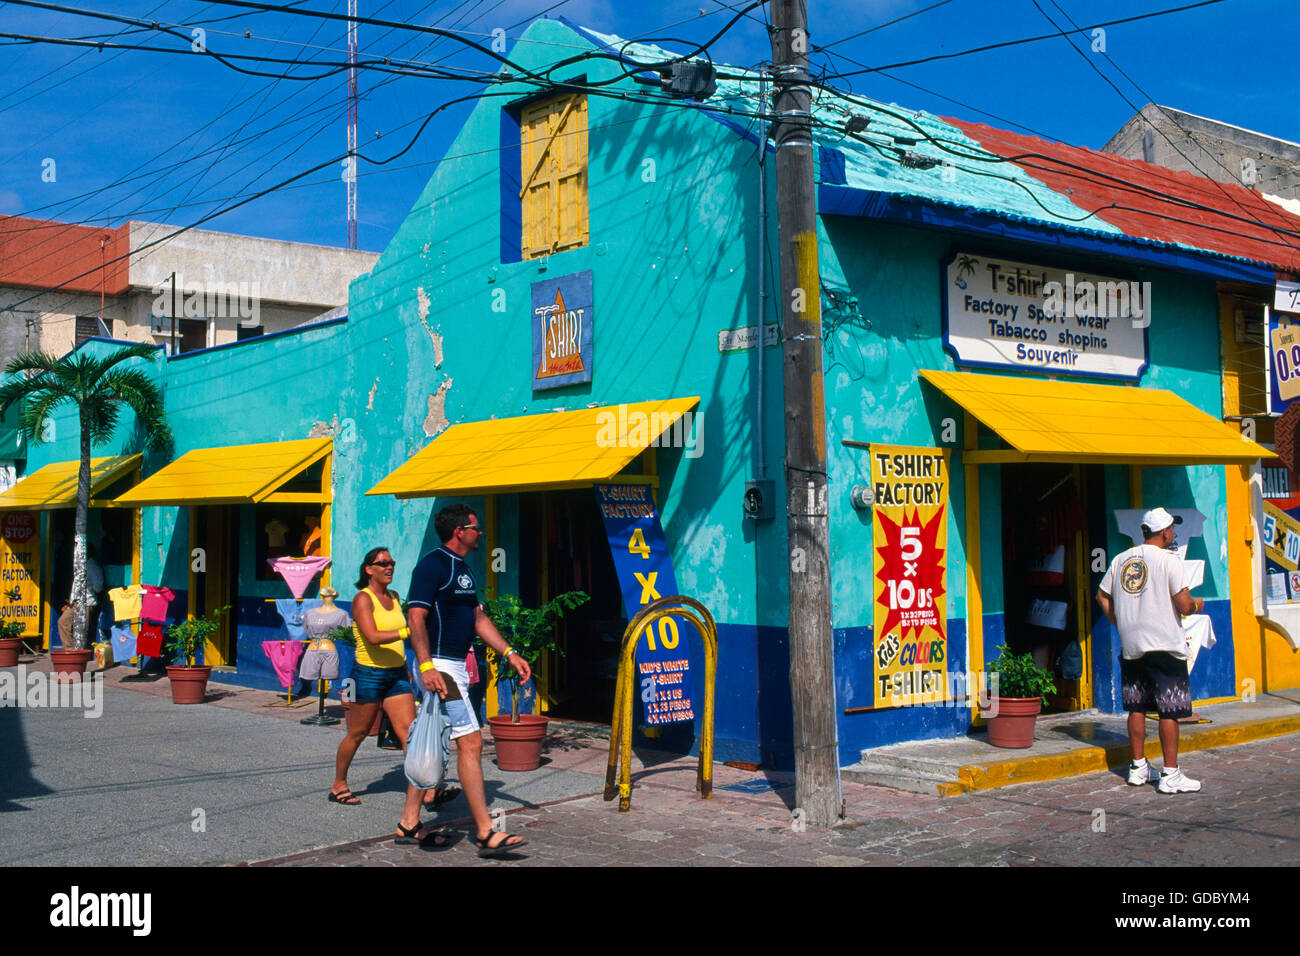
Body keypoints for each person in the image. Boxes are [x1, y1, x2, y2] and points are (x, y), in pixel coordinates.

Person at [404, 503, 530, 858]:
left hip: (455, 664)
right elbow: (416, 618)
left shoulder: (463, 569)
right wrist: (427, 666)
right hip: (440, 666)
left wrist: (509, 653)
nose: (481, 533)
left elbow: (477, 617)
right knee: (471, 743)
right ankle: (487, 832)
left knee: (429, 738)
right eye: (476, 528)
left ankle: (409, 821)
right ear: (459, 531)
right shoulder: (432, 565)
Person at [328, 546, 446, 846]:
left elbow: (394, 643)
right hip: (367, 675)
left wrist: (407, 669)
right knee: (357, 733)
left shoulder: (393, 598)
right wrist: (409, 631)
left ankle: (424, 790)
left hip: (396, 675)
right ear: (368, 569)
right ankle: (339, 783)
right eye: (383, 564)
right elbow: (372, 637)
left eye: (392, 563)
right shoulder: (361, 599)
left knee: (411, 736)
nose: (389, 567)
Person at [1096, 507, 1204, 794]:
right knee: (1170, 710)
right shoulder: (1169, 560)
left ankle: (1138, 766)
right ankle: (1170, 773)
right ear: (1165, 532)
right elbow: (1183, 605)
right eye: (1172, 529)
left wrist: (1122, 623)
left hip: (1133, 645)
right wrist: (1197, 604)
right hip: (1165, 644)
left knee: (1137, 707)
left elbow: (1101, 595)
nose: (1173, 534)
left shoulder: (1121, 559)